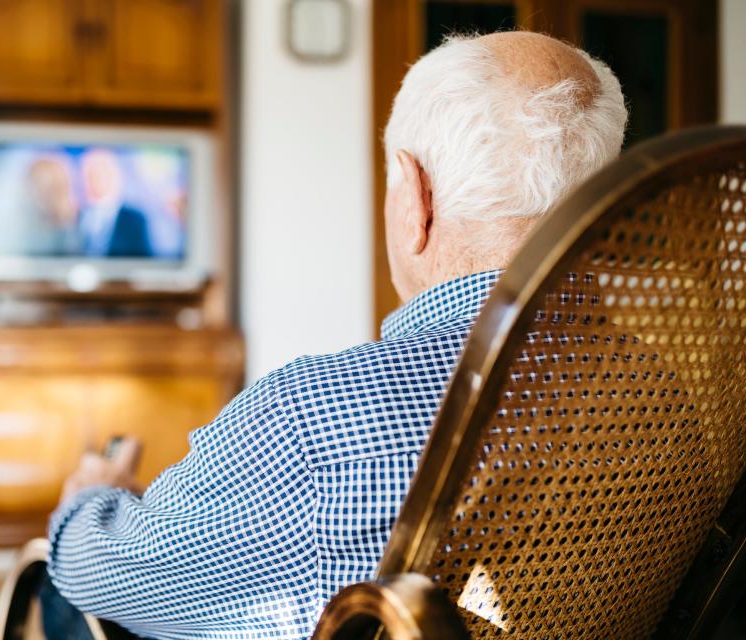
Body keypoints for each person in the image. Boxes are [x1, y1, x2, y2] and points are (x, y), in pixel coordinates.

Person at [42, 31, 627, 639]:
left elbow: (114, 576)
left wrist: (87, 504)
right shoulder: (662, 393)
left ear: (415, 198)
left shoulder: (313, 418)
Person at [79, 149, 153, 257]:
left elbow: (144, 261)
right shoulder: (76, 215)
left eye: (100, 172)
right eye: (89, 173)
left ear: (112, 174)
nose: (93, 179)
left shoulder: (135, 220)